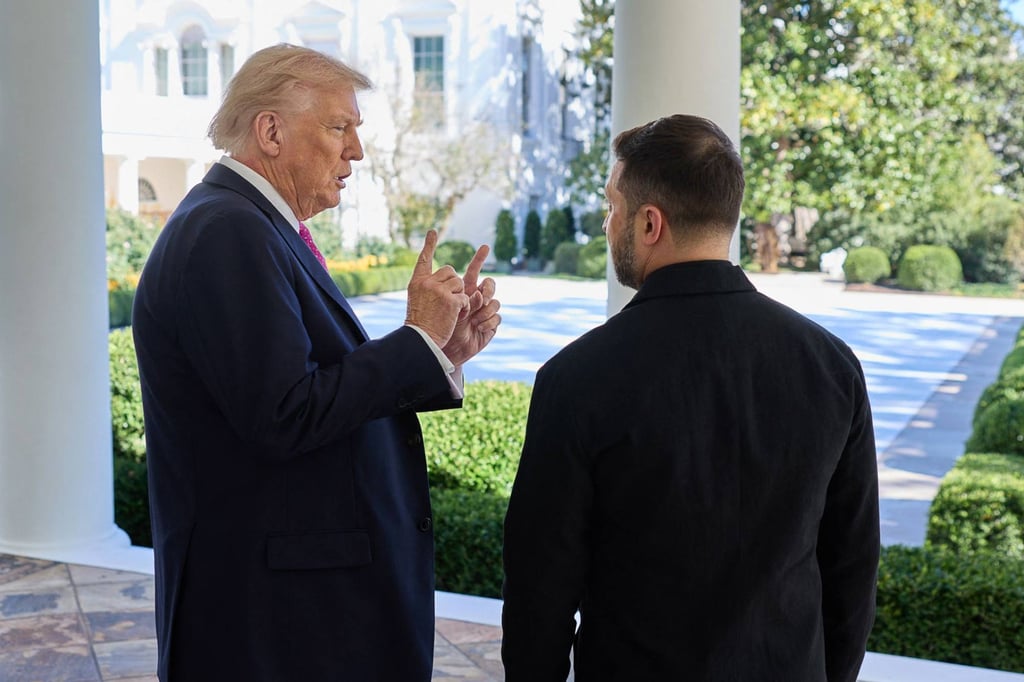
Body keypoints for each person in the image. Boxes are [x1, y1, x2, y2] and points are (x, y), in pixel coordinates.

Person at [132, 44, 501, 681]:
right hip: (274, 618)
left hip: (287, 607)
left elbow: (306, 389)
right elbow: (284, 414)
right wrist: (415, 337)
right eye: (339, 127)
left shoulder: (249, 224)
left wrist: (436, 351)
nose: (356, 151)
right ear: (270, 132)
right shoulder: (228, 231)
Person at [501, 114, 879, 682]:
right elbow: (852, 568)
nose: (607, 225)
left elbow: (540, 592)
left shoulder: (576, 378)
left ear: (649, 223)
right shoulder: (831, 366)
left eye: (612, 207)